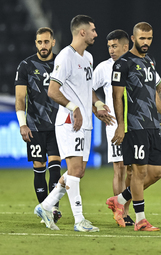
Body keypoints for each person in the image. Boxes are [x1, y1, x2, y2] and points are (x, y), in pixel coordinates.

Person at [34, 15, 110, 232]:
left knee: (79, 171)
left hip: (85, 123)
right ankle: (79, 220)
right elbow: (52, 90)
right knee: (75, 169)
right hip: (70, 122)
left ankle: (46, 206)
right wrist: (74, 107)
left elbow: (88, 90)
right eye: (93, 30)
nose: (96, 34)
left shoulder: (88, 58)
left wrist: (98, 105)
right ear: (82, 32)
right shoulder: (65, 57)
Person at [93, 29, 161, 226]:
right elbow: (87, 87)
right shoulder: (105, 67)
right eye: (108, 46)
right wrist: (96, 107)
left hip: (142, 124)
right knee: (120, 168)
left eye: (114, 46)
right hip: (117, 124)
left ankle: (121, 202)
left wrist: (156, 112)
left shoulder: (144, 62)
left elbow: (159, 87)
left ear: (126, 46)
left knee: (138, 172)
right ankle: (122, 215)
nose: (111, 50)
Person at [107, 22, 161, 231]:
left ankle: (119, 200)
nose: (146, 42)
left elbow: (153, 92)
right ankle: (140, 220)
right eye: (142, 38)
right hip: (134, 125)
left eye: (149, 38)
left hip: (152, 124)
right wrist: (120, 125)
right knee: (139, 172)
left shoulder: (150, 62)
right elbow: (116, 95)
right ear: (133, 39)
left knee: (156, 173)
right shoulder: (122, 63)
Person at [15, 27, 62, 223]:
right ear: (36, 43)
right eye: (40, 42)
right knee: (39, 165)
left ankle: (52, 208)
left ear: (53, 42)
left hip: (58, 124)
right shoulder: (25, 66)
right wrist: (23, 124)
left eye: (46, 42)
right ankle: (45, 209)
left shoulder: (61, 62)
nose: (43, 46)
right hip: (34, 125)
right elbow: (20, 98)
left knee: (55, 166)